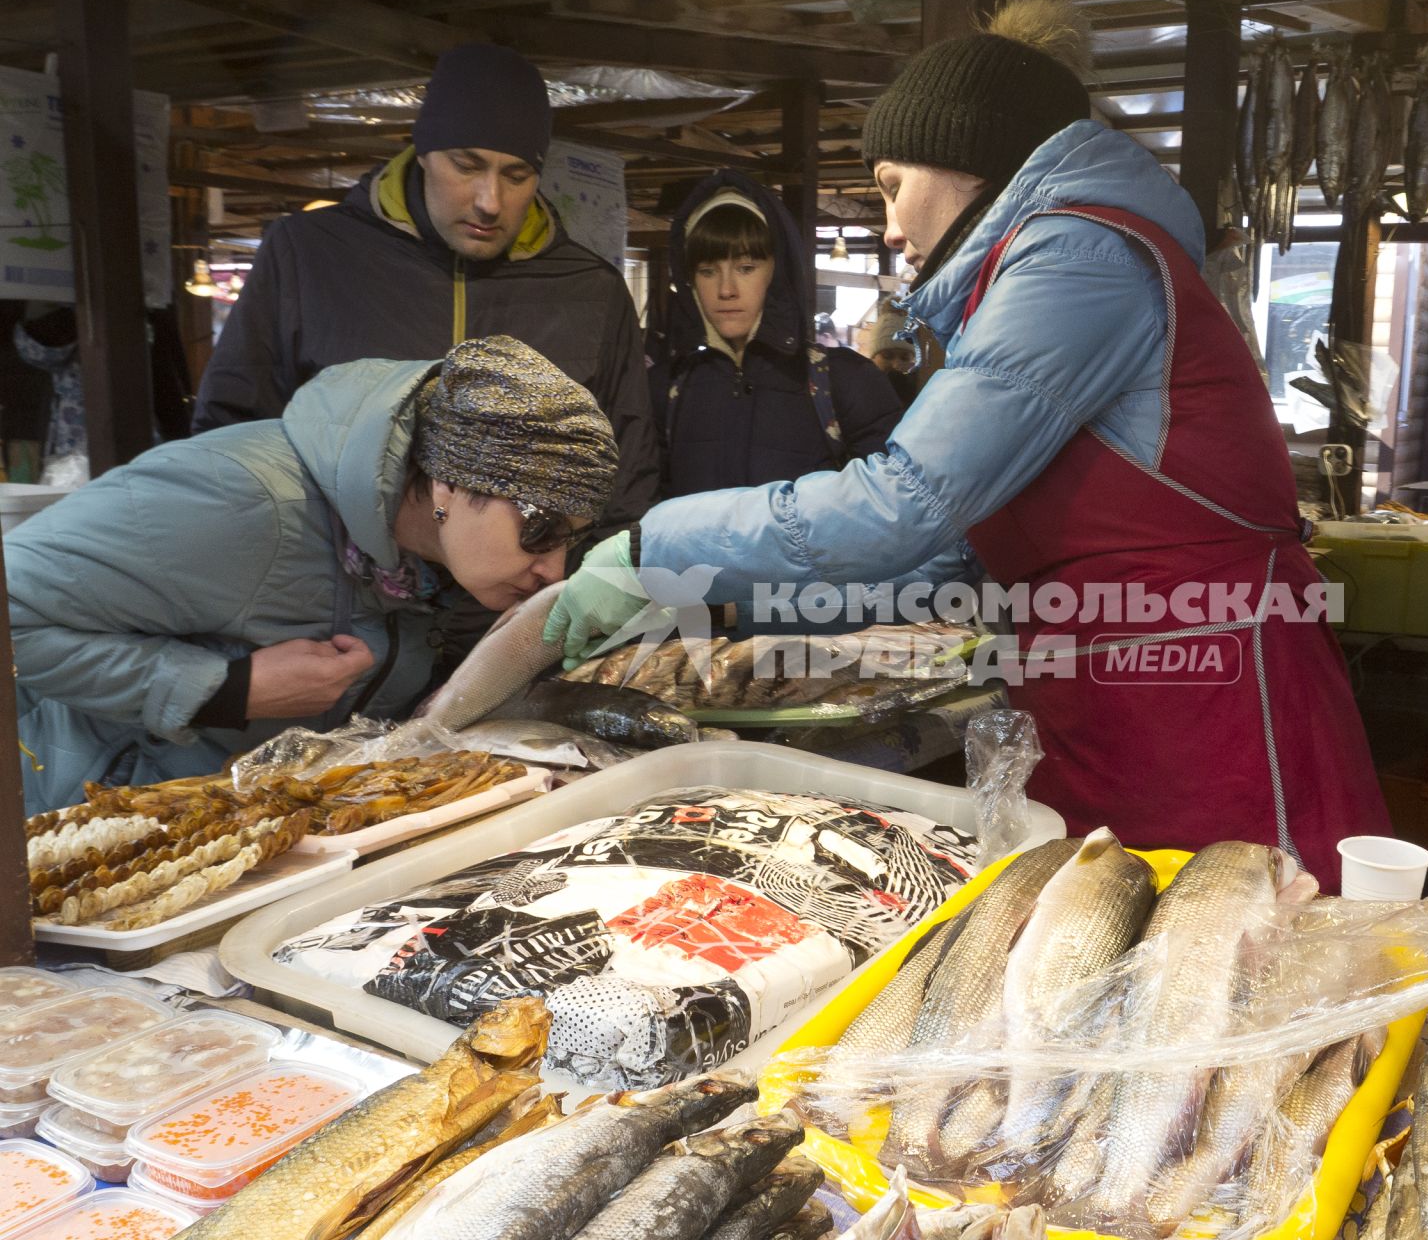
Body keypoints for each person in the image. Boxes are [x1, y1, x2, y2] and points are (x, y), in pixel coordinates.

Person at [544, 1, 1390, 883]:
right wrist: (724, 604)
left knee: (1233, 977)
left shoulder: (1078, 258)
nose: (890, 229)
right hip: (1113, 695)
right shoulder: (1045, 266)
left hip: (1201, 705)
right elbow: (955, 559)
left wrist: (655, 548)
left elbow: (901, 506)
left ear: (967, 163)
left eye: (889, 186)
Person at [8, 336, 616, 815]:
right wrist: (226, 687)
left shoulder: (427, 557)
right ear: (447, 482)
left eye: (574, 538)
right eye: (539, 527)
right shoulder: (237, 502)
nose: (552, 567)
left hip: (258, 837)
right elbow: (13, 611)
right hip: (96, 835)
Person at [191, 43, 659, 527]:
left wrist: (593, 589)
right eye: (466, 165)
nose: (490, 201)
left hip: (532, 592)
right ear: (424, 152)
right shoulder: (307, 256)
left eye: (516, 175)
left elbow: (626, 475)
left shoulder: (591, 290)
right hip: (344, 596)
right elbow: (232, 438)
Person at [654, 171, 908, 498]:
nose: (726, 289)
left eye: (746, 268)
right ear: (689, 281)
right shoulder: (667, 390)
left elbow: (892, 508)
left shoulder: (844, 382)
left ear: (777, 272)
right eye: (707, 271)